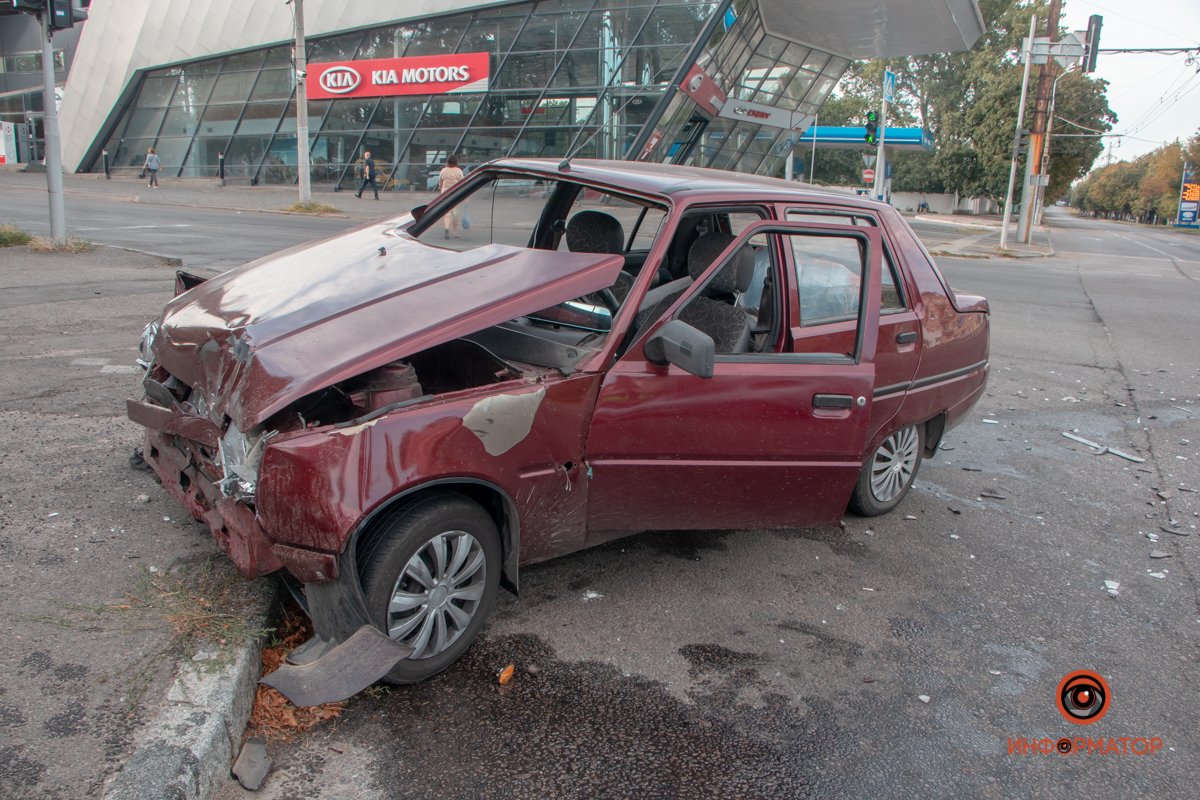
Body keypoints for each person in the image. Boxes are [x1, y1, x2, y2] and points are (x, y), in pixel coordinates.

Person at [438, 155, 465, 239]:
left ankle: (446, 227)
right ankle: (455, 232)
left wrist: (441, 192)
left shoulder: (443, 170)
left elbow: (440, 183)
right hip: (455, 193)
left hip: (445, 192)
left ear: (447, 162)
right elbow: (463, 183)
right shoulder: (459, 171)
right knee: (455, 213)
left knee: (447, 212)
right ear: (456, 162)